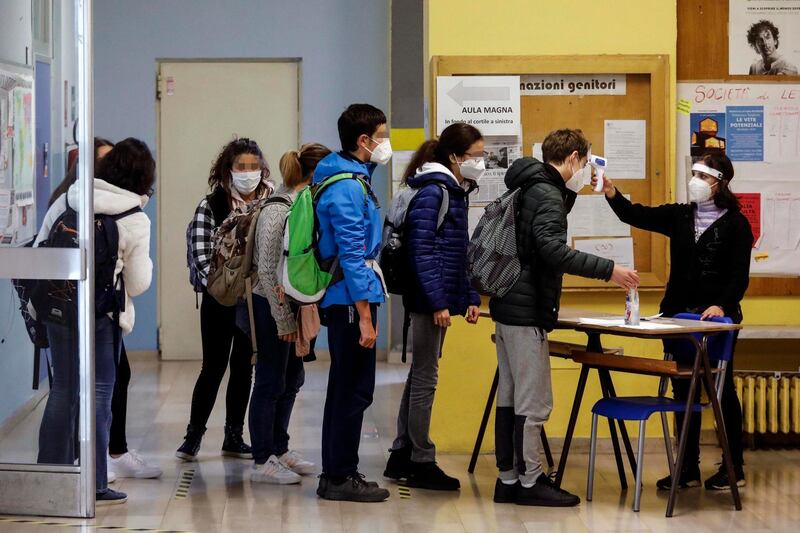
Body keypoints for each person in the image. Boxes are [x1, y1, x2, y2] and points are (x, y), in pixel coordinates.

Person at [489, 129, 639, 507]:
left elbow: (542, 226)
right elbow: (553, 249)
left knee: (510, 398)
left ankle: (508, 479)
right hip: (527, 310)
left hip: (507, 305)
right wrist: (610, 270)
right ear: (574, 158)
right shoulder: (548, 194)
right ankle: (530, 482)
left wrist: (571, 192)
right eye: (585, 161)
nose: (586, 167)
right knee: (533, 402)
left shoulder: (533, 184)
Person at [596, 150, 752, 491]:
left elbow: (739, 276)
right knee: (684, 390)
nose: (696, 182)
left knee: (721, 392)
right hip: (677, 316)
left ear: (720, 183)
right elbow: (634, 215)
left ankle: (733, 467)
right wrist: (611, 192)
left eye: (704, 177)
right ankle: (687, 467)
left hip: (716, 320)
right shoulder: (681, 216)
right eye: (694, 175)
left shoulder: (737, 224)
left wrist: (722, 305)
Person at [37, 138, 155, 506]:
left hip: (60, 307)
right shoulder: (134, 216)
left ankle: (50, 476)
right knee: (101, 394)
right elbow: (138, 282)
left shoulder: (71, 196)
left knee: (63, 390)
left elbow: (43, 243)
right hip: (103, 315)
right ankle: (95, 482)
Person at [383, 123, 482, 491]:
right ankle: (421, 459)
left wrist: (469, 296)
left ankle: (402, 452)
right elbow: (421, 252)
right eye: (476, 155)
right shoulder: (435, 191)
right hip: (428, 300)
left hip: (436, 296)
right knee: (427, 378)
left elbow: (457, 252)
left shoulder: (452, 190)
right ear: (455, 156)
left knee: (420, 375)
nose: (481, 162)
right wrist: (439, 302)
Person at [178, 138, 273, 461]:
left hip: (256, 300)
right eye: (241, 167)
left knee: (244, 367)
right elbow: (201, 254)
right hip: (218, 299)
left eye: (253, 167)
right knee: (213, 367)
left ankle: (234, 435)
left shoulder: (272, 202)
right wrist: (220, 288)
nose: (248, 173)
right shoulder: (211, 205)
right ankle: (194, 434)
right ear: (228, 170)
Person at [314, 104, 390, 502]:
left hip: (350, 296)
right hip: (349, 300)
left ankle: (337, 471)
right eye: (382, 134)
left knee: (345, 387)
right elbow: (351, 253)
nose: (386, 142)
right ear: (364, 141)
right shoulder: (346, 186)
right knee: (354, 390)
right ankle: (340, 476)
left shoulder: (351, 176)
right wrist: (364, 315)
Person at [248, 143, 331, 484]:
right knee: (269, 379)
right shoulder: (277, 210)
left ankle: (280, 448)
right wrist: (282, 318)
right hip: (271, 306)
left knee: (292, 378)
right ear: (314, 174)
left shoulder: (306, 203)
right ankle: (262, 458)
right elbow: (267, 271)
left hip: (295, 305)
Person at [48, 137, 114, 207]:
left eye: (113, 159)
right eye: (103, 160)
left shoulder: (118, 195)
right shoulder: (65, 199)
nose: (111, 165)